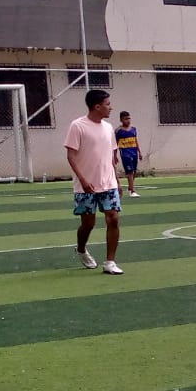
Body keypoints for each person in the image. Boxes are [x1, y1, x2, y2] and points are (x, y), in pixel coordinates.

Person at [65, 88, 124, 275]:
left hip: (108, 183)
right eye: (108, 104)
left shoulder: (108, 128)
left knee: (113, 219)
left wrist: (117, 181)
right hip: (86, 186)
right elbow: (71, 156)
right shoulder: (77, 126)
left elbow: (111, 157)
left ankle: (110, 262)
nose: (111, 108)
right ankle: (81, 249)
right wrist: (82, 180)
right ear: (97, 106)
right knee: (88, 223)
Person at [115, 110, 142, 197]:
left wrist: (139, 152)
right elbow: (115, 143)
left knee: (134, 171)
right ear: (121, 120)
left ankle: (130, 187)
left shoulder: (133, 129)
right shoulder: (118, 131)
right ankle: (132, 191)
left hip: (134, 153)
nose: (128, 120)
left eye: (129, 118)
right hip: (125, 153)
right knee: (130, 171)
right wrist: (115, 155)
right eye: (126, 119)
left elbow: (135, 140)